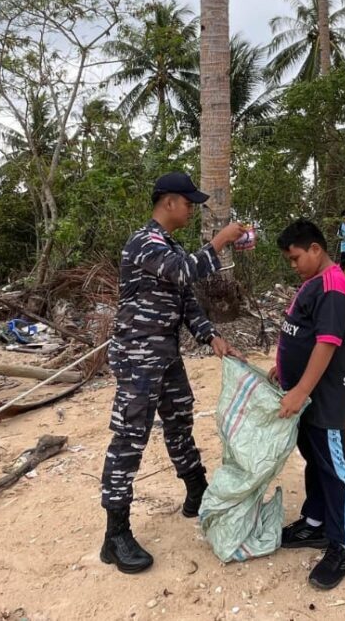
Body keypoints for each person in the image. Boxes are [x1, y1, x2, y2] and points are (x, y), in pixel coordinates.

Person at [99, 172, 251, 574]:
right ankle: (115, 535)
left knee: (180, 421)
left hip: (165, 355)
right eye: (188, 203)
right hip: (138, 357)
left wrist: (212, 337)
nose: (192, 209)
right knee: (130, 438)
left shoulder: (169, 246)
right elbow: (185, 272)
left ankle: (196, 490)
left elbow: (185, 301)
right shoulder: (144, 242)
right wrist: (220, 242)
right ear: (168, 202)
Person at [270, 219, 345, 590]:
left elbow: (326, 343)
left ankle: (343, 545)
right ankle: (315, 522)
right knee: (314, 456)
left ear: (316, 249)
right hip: (305, 391)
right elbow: (301, 332)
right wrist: (281, 367)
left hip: (325, 394)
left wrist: (301, 391)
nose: (293, 266)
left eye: (295, 258)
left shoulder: (334, 286)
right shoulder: (313, 284)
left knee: (334, 464)